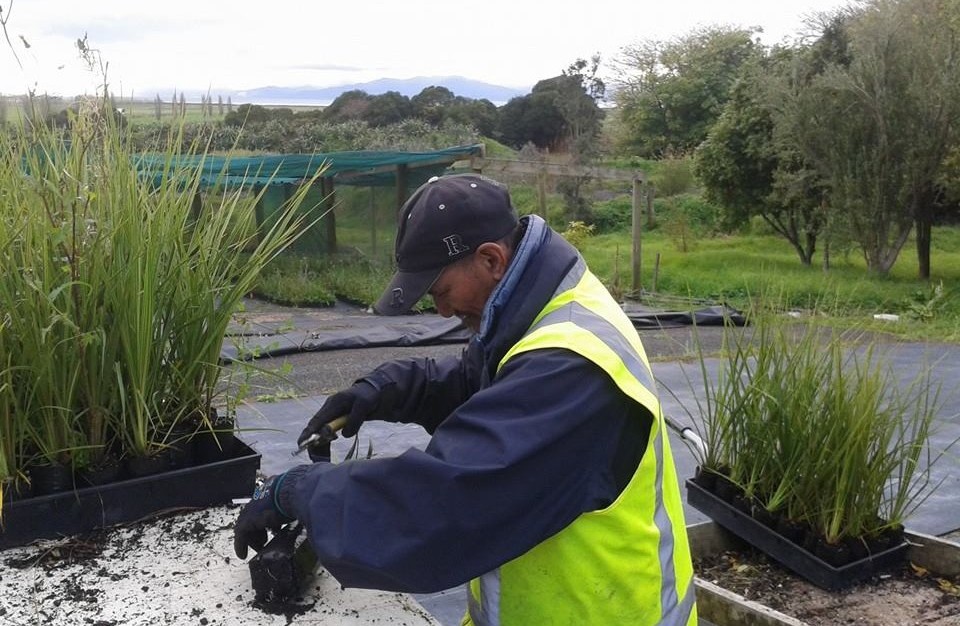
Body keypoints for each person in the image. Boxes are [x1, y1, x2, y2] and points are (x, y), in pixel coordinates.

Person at [233, 173, 697, 625]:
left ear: (492, 260)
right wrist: (382, 391)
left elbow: (440, 508)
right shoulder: (543, 308)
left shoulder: (571, 366)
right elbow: (481, 379)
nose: (441, 311)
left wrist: (297, 491)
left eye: (442, 291)